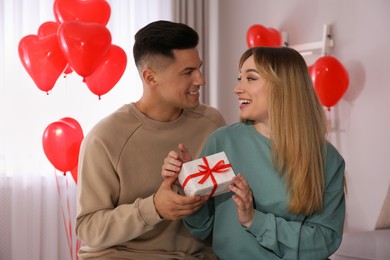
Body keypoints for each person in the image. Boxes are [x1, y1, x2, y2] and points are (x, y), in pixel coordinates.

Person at [162, 47, 346, 260]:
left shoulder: (327, 158)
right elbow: (202, 228)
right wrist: (190, 183)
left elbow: (325, 240)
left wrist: (254, 220)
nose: (237, 88)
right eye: (240, 78)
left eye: (251, 78)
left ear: (284, 86)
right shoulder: (222, 141)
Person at [75, 20, 226, 259]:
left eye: (199, 68)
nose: (201, 80)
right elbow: (88, 228)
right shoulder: (104, 138)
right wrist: (154, 207)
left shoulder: (212, 122)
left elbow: (223, 206)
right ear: (151, 77)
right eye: (188, 72)